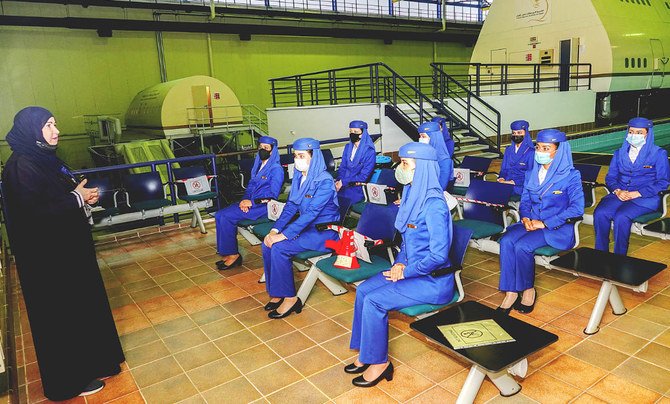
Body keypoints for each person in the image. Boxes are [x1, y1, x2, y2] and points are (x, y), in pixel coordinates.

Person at [2, 107, 125, 400]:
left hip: (69, 252)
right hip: (48, 262)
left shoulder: (45, 160)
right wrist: (75, 198)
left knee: (82, 309)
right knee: (60, 320)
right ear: (32, 130)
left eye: (55, 123)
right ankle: (68, 381)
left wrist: (84, 197)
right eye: (48, 125)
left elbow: (60, 196)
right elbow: (35, 214)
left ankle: (96, 361)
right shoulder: (21, 166)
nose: (56, 131)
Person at [347, 142, 453, 387]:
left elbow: (438, 255)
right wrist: (400, 263)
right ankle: (366, 354)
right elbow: (407, 241)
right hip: (410, 271)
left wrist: (406, 271)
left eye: (405, 163)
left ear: (422, 168)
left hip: (433, 280)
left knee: (375, 300)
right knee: (363, 290)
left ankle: (380, 363)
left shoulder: (434, 204)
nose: (400, 168)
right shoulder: (411, 194)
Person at [497, 129, 584, 314]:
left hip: (556, 228)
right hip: (531, 222)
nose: (540, 152)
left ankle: (528, 291)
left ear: (558, 151)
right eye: (538, 147)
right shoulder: (532, 173)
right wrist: (527, 217)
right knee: (506, 241)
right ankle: (511, 292)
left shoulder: (571, 175)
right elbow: (526, 201)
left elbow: (577, 208)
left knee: (522, 246)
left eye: (546, 148)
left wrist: (544, 223)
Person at [262, 138, 340, 319]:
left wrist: (285, 235)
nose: (297, 159)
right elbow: (290, 206)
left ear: (314, 157)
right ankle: (277, 292)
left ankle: (290, 299)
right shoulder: (299, 176)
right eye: (296, 155)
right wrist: (275, 230)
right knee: (267, 244)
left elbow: (311, 213)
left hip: (324, 232)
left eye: (302, 156)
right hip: (307, 229)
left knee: (280, 247)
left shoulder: (325, 181)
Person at [594, 118, 669, 255]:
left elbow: (663, 182)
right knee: (600, 213)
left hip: (644, 198)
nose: (634, 135)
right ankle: (600, 253)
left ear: (647, 134)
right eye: (631, 132)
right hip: (620, 194)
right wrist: (618, 190)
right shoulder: (619, 153)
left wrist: (638, 193)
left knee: (621, 217)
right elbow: (610, 177)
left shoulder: (658, 154)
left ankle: (620, 255)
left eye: (639, 132)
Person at [214, 136, 284, 270]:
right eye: (260, 147)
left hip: (262, 206)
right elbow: (250, 187)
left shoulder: (276, 169)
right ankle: (228, 253)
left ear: (272, 150)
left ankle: (233, 254)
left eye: (266, 148)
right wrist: (244, 201)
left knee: (224, 216)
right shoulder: (258, 165)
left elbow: (272, 195)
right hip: (251, 203)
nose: (262, 150)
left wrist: (251, 202)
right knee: (219, 214)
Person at [335, 120, 376, 205]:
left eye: (356, 132)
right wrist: (339, 181)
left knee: (340, 203)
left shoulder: (369, 152)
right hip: (343, 183)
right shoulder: (347, 147)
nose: (352, 134)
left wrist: (343, 182)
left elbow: (363, 176)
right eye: (351, 131)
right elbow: (343, 167)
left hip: (357, 186)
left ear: (363, 133)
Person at [497, 120, 535, 197]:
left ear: (526, 133)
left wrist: (514, 182)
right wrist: (501, 178)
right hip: (506, 182)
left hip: (521, 185)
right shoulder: (508, 149)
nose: (516, 135)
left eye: (519, 133)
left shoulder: (531, 152)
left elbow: (531, 175)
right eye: (514, 133)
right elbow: (504, 168)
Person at [417, 121, 453, 190]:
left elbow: (441, 187)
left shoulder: (445, 160)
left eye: (423, 136)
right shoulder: (423, 155)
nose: (420, 139)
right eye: (420, 136)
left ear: (433, 137)